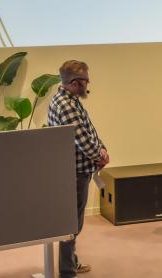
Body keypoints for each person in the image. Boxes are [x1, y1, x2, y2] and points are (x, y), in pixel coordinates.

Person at [47, 60, 109, 277]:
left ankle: (71, 262)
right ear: (75, 83)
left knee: (73, 222)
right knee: (71, 224)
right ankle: (67, 271)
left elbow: (88, 130)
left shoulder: (69, 100)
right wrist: (100, 154)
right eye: (86, 81)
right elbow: (83, 141)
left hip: (78, 170)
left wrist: (101, 148)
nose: (88, 84)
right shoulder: (66, 105)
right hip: (74, 174)